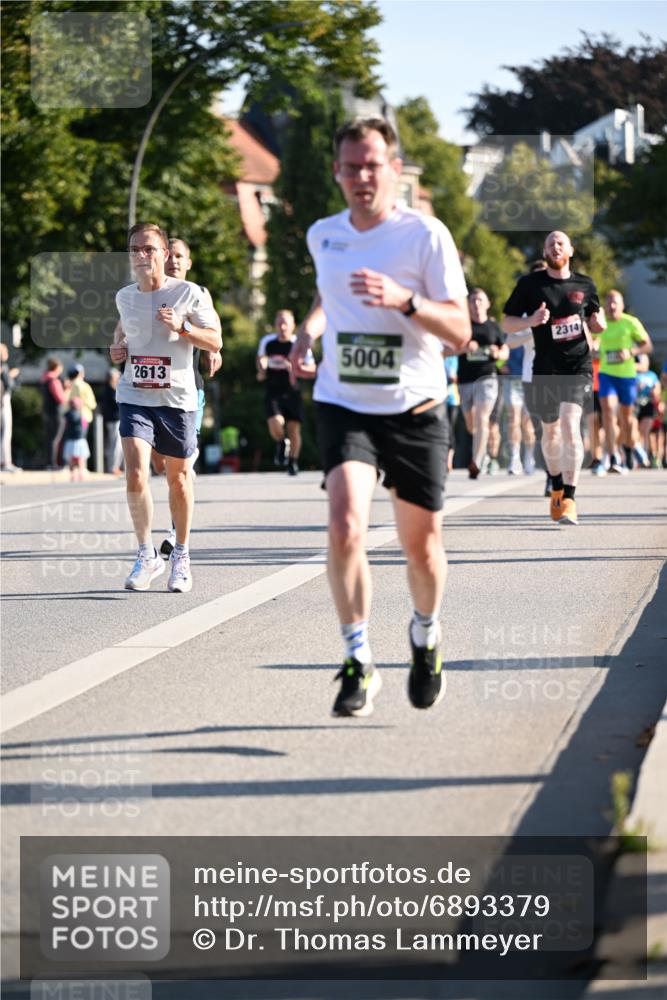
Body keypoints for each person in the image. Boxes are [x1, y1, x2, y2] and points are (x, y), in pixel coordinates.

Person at [289, 117, 470, 717]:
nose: (362, 177)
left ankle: (425, 634)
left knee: (422, 550)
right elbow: (327, 294)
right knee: (345, 527)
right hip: (345, 404)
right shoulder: (324, 234)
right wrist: (307, 335)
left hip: (415, 408)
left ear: (394, 169)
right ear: (337, 173)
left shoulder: (426, 236)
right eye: (351, 167)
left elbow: (462, 331)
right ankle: (358, 661)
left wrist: (405, 300)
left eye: (373, 165)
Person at [110, 222, 221, 593]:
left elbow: (216, 340)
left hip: (177, 399)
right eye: (135, 250)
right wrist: (117, 350)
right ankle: (146, 554)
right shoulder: (124, 297)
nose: (141, 256)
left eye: (149, 249)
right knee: (137, 473)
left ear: (163, 254)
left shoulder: (189, 293)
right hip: (135, 394)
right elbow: (122, 332)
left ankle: (182, 555)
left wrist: (184, 328)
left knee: (178, 479)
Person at [502, 231, 605, 526]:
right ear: (544, 251)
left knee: (571, 428)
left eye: (560, 242)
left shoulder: (586, 284)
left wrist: (598, 324)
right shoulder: (530, 284)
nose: (555, 246)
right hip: (545, 368)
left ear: (570, 250)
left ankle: (570, 498)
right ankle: (556, 486)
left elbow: (595, 320)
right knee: (550, 435)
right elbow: (507, 321)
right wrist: (530, 321)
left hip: (577, 366)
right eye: (549, 243)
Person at [155, 237, 222, 555]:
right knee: (161, 463)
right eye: (169, 255)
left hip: (187, 388)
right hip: (150, 391)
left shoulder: (198, 293)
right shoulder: (145, 292)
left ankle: (174, 530)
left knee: (182, 464)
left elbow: (214, 334)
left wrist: (213, 351)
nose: (174, 261)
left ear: (189, 262)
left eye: (180, 256)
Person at [595, 290, 653, 473]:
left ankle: (629, 447)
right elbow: (591, 342)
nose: (612, 307)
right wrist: (593, 348)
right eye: (609, 303)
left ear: (621, 305)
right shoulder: (600, 324)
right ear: (605, 305)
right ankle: (613, 456)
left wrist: (630, 353)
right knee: (608, 411)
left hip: (627, 376)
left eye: (615, 303)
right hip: (606, 374)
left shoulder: (631, 322)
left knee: (627, 419)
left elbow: (647, 345)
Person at [257, 309, 316, 476]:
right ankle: (282, 443)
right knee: (275, 423)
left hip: (293, 392)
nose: (282, 327)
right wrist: (262, 366)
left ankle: (293, 462)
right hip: (273, 391)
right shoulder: (268, 342)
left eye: (286, 324)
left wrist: (298, 368)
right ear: (275, 325)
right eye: (279, 323)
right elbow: (261, 358)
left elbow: (312, 368)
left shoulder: (298, 344)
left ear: (293, 326)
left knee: (293, 429)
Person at [458, 288, 507, 478]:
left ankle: (476, 461)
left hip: (487, 378)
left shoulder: (494, 328)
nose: (476, 304)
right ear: (468, 305)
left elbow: (505, 352)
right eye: (472, 301)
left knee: (481, 417)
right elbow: (446, 350)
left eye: (480, 300)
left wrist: (498, 353)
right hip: (465, 380)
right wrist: (463, 348)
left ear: (487, 304)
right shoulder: (462, 327)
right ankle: (483, 453)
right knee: (471, 424)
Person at [634, 353, 661, 466]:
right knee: (637, 431)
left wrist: (655, 392)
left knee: (645, 430)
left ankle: (644, 456)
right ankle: (638, 456)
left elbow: (657, 390)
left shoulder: (652, 375)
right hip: (636, 405)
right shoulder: (634, 374)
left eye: (646, 361)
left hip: (648, 405)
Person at [40, 356, 67, 468]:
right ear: (57, 367)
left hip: (47, 411)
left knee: (50, 437)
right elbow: (61, 398)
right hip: (55, 413)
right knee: (55, 439)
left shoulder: (45, 379)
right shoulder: (54, 380)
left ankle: (49, 462)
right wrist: (67, 390)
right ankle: (52, 463)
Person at [1, 343, 21, 472]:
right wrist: (12, 376)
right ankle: (5, 462)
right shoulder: (4, 368)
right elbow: (9, 385)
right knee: (6, 432)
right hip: (3, 401)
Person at [62, 396, 90, 481]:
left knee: (71, 459)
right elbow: (85, 426)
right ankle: (81, 473)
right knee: (81, 459)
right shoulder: (81, 415)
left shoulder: (66, 415)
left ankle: (72, 474)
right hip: (80, 439)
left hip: (70, 439)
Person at [101, 368, 123, 474]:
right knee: (115, 445)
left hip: (113, 420)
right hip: (114, 420)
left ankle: (114, 466)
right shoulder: (110, 390)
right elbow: (117, 403)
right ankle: (113, 467)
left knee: (114, 444)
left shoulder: (109, 389)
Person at [67, 364, 97, 430]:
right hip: (83, 418)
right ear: (80, 373)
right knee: (81, 439)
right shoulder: (85, 386)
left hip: (69, 417)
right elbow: (93, 404)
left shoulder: (67, 385)